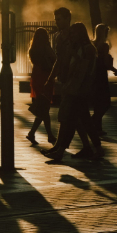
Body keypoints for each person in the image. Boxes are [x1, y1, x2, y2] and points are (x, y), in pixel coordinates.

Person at [47, 22, 99, 161]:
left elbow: (85, 68)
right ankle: (95, 149)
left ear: (81, 33)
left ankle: (60, 152)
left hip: (80, 90)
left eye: (73, 33)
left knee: (72, 120)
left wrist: (73, 54)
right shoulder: (77, 47)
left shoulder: (88, 49)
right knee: (83, 121)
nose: (71, 36)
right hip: (74, 88)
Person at [26, 28, 56, 146]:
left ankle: (33, 133)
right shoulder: (45, 48)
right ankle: (49, 135)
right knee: (45, 107)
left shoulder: (33, 50)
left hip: (36, 77)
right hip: (45, 78)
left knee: (43, 108)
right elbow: (54, 58)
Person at [91, 23, 117, 137]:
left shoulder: (92, 44)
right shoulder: (104, 46)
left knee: (97, 103)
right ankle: (92, 122)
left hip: (93, 75)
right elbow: (105, 63)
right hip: (101, 76)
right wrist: (114, 69)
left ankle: (98, 128)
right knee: (105, 103)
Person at [49, 7, 73, 106]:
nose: (56, 22)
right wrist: (51, 78)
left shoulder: (75, 35)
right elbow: (58, 58)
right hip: (63, 78)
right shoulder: (57, 36)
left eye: (59, 19)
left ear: (67, 19)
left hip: (74, 78)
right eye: (56, 20)